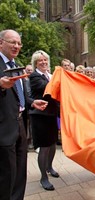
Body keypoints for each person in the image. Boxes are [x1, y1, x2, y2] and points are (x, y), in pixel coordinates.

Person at [0, 29, 48, 200]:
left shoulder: (15, 65)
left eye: (19, 43)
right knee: (7, 175)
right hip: (4, 128)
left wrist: (31, 102)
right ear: (1, 43)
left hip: (20, 124)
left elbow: (19, 94)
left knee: (20, 172)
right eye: (12, 42)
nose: (17, 46)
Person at [29, 50, 60, 191]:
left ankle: (49, 167)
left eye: (45, 60)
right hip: (40, 116)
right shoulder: (35, 76)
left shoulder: (50, 76)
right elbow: (48, 88)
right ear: (35, 63)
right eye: (40, 61)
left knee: (53, 143)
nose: (43, 62)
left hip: (52, 115)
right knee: (45, 147)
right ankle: (43, 178)